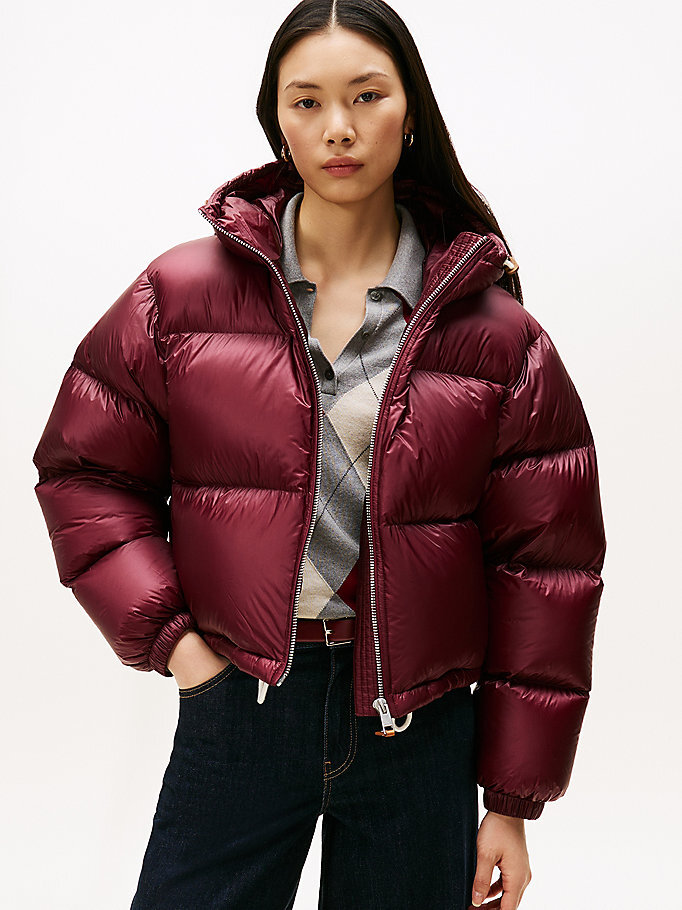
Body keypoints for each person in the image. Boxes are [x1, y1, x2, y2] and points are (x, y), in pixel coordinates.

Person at [31, 2, 607, 908]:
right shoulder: (179, 297)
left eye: (367, 96)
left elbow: (546, 570)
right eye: (307, 102)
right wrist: (178, 648)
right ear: (279, 123)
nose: (338, 127)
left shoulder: (497, 336)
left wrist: (510, 803)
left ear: (410, 114)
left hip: (418, 730)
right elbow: (83, 474)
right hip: (241, 704)